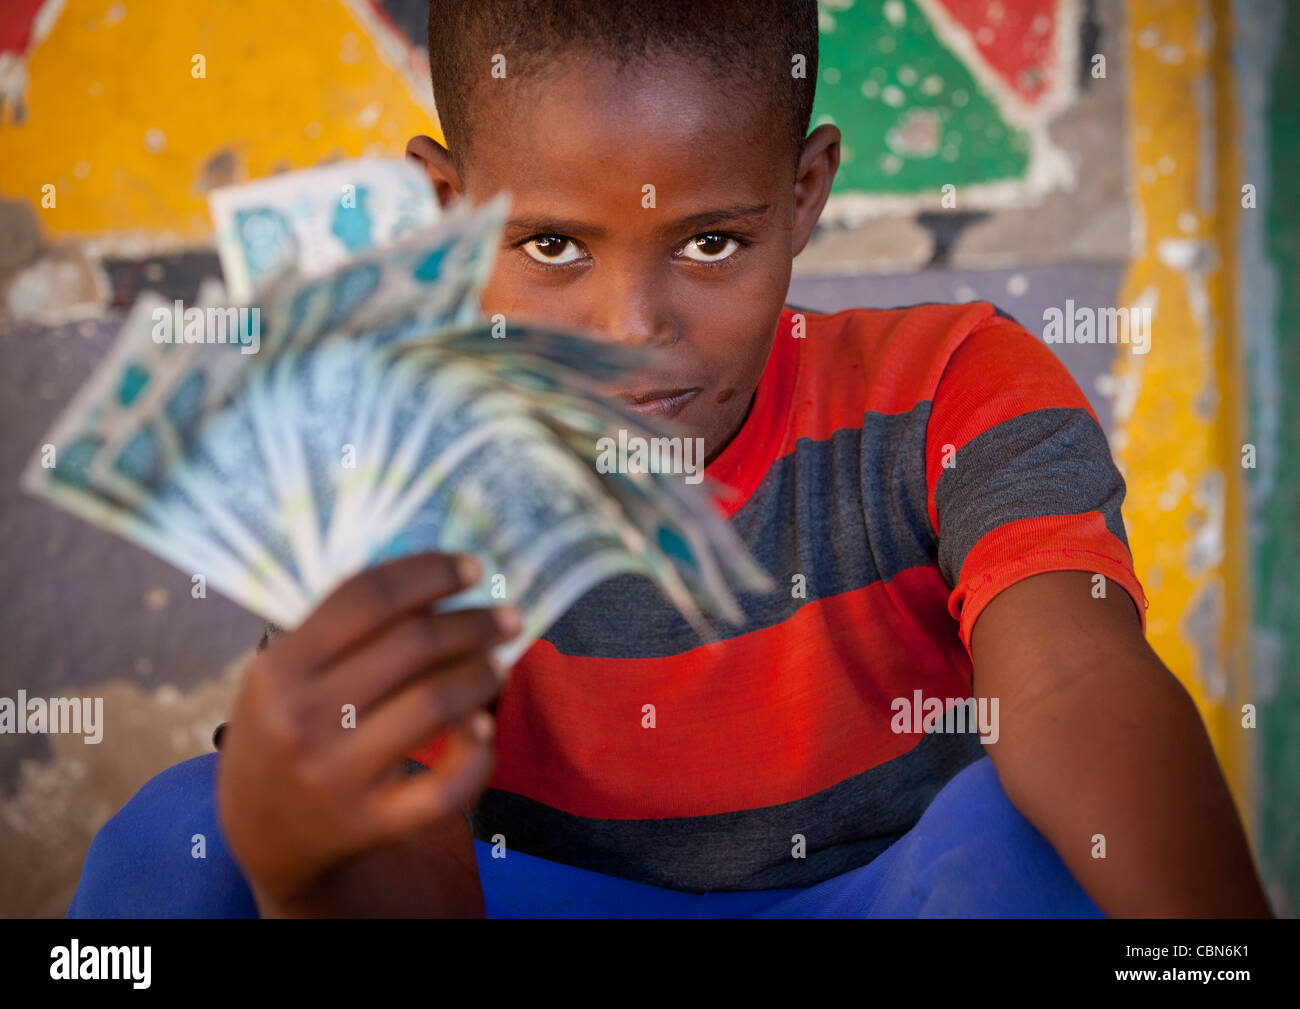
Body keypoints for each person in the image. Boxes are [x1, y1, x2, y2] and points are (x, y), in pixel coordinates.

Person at [67, 0, 1271, 918]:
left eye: (708, 241)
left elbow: (1070, 684)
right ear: (448, 206)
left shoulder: (954, 384)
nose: (631, 328)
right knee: (184, 842)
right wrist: (304, 861)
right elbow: (401, 852)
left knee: (1027, 839)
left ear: (803, 196)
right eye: (550, 243)